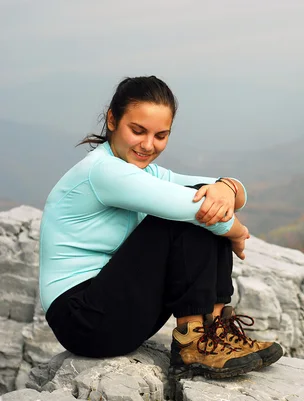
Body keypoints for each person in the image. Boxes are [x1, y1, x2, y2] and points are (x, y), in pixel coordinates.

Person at [39, 75, 283, 380]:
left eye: (160, 135)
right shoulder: (103, 172)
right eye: (138, 131)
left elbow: (228, 194)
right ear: (113, 120)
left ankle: (216, 329)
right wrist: (234, 231)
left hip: (118, 310)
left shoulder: (143, 171)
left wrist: (226, 187)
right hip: (82, 319)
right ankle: (194, 343)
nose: (148, 145)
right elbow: (192, 209)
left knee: (200, 197)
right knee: (182, 217)